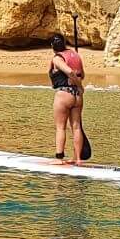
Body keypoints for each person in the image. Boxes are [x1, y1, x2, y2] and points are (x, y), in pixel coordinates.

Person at [48, 32, 86, 164]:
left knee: (60, 127)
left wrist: (80, 86)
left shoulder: (57, 59)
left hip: (64, 95)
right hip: (77, 96)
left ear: (52, 46)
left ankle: (59, 159)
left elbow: (69, 72)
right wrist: (79, 87)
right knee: (76, 127)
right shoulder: (75, 55)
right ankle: (78, 159)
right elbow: (82, 74)